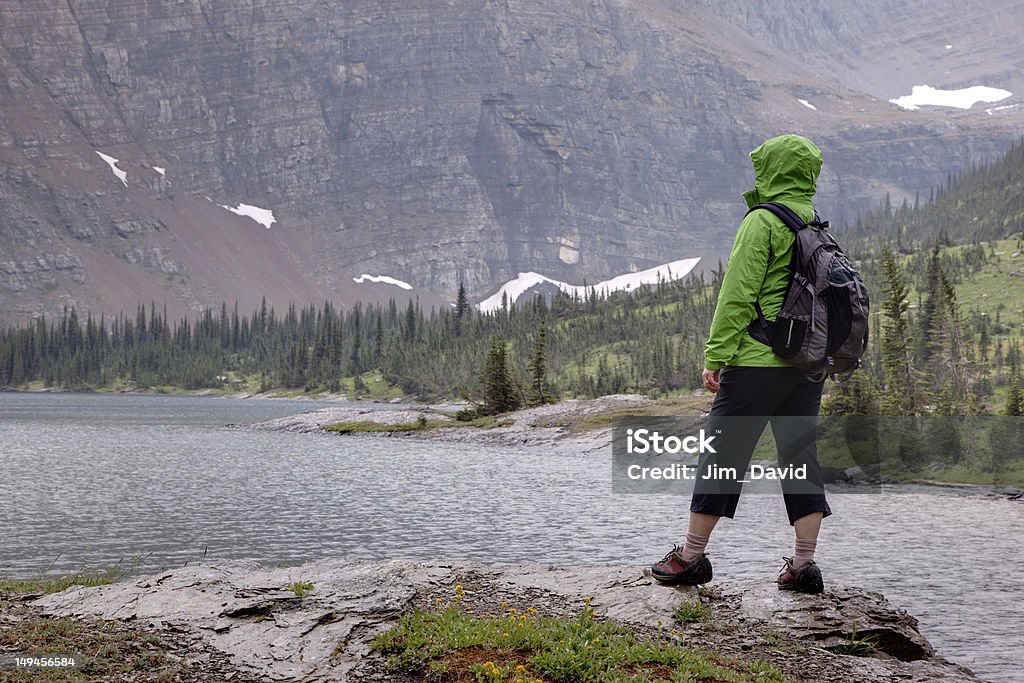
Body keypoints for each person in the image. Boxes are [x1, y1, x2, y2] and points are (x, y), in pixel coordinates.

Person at [649, 134, 831, 594]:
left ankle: (690, 557)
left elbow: (737, 296)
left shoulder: (763, 221)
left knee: (722, 457)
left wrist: (716, 357)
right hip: (807, 365)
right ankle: (803, 566)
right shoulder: (816, 224)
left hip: (756, 363)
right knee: (799, 458)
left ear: (771, 169)